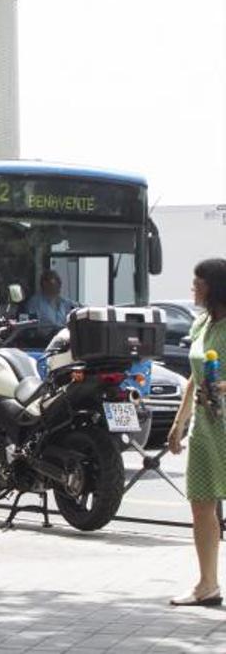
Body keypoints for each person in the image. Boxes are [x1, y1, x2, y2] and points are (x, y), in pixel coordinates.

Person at [167, 257, 226, 607]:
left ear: (215, 286)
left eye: (198, 282)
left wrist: (222, 387)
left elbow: (214, 382)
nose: (193, 288)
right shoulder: (202, 324)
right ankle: (207, 584)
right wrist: (179, 423)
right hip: (207, 428)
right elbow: (194, 377)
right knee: (201, 506)